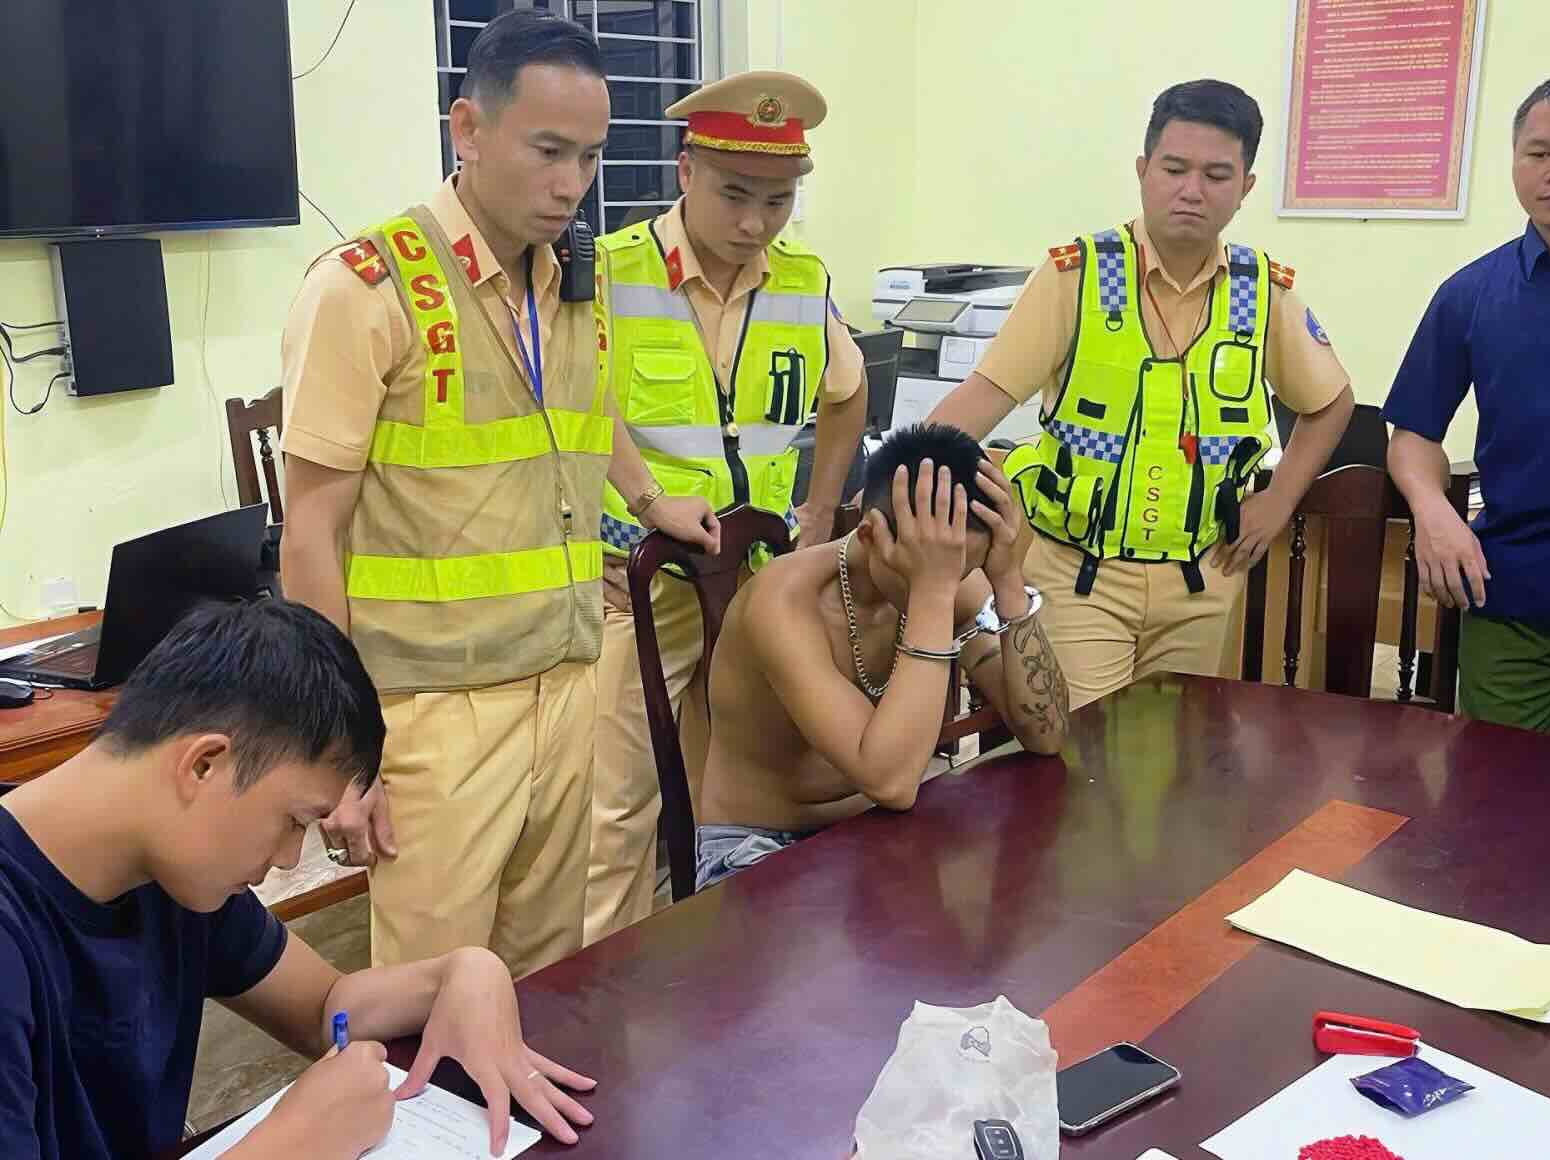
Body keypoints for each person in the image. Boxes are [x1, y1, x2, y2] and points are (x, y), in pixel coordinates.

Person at [277, 13, 711, 976]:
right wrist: (337, 749)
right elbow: (309, 531)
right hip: (432, 712)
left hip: (565, 680)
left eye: (591, 158)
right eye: (548, 150)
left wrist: (647, 503)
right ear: (466, 129)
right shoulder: (367, 289)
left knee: (546, 976)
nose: (571, 184)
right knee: (432, 996)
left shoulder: (568, 283)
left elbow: (583, 419)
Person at [0, 601, 596, 1160]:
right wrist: (294, 1143)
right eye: (293, 821)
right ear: (204, 764)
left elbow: (324, 1008)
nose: (289, 859)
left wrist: (461, 972)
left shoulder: (168, 876)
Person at [927, 80, 1353, 708]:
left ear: (1246, 188)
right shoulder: (1078, 276)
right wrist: (900, 482)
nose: (1192, 190)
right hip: (1080, 576)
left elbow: (1330, 402)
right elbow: (981, 399)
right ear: (1143, 169)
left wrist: (1280, 499)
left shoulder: (1261, 291)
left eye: (1216, 174)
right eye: (1174, 168)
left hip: (1205, 576)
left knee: (1182, 767)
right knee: (1082, 766)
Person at [585, 71, 868, 940]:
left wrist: (819, 514)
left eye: (777, 202)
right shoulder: (612, 272)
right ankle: (607, 991)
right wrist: (648, 496)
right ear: (685, 172)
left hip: (756, 590)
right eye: (734, 195)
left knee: (737, 795)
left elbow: (846, 394)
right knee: (615, 811)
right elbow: (580, 404)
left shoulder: (801, 280)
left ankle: (717, 972)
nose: (753, 223)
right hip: (640, 591)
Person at [693, 423, 1070, 890]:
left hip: (883, 834)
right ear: (871, 534)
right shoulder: (784, 603)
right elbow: (890, 782)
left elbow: (1046, 734)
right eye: (930, 568)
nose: (952, 583)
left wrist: (1009, 582)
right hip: (759, 850)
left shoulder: (948, 577)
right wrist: (932, 593)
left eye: (963, 569)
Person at [1385, 68, 1550, 741]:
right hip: (1514, 594)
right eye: (1539, 153)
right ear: (1514, 161)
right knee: (1503, 800)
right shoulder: (1470, 294)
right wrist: (1432, 509)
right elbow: (1413, 431)